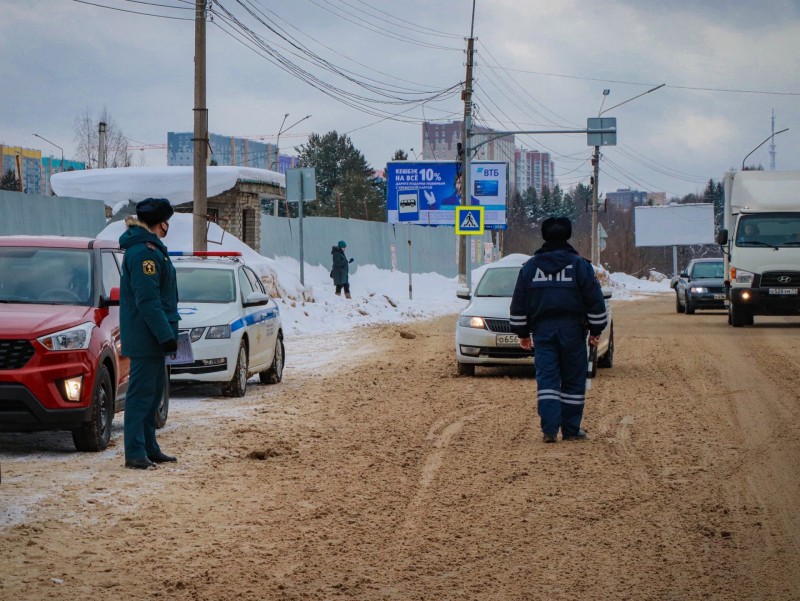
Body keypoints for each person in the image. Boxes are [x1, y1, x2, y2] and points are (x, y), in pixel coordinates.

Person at [509, 217, 608, 443]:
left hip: (543, 333)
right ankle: (571, 430)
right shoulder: (580, 266)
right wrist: (596, 330)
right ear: (568, 235)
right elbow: (594, 300)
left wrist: (522, 334)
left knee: (547, 381)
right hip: (573, 332)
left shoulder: (530, 268)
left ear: (544, 236)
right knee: (573, 380)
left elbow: (519, 303)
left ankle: (550, 430)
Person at [119, 198, 179, 469]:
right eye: (167, 222)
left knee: (153, 394)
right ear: (160, 223)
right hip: (147, 337)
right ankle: (134, 452)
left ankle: (149, 447)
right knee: (141, 394)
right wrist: (165, 334)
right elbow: (148, 300)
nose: (168, 227)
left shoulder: (151, 248)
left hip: (151, 336)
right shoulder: (144, 252)